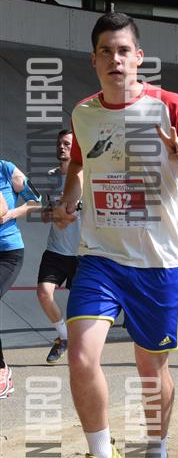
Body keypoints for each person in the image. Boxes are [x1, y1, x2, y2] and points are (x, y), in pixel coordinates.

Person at [53, 11, 178, 458]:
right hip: (100, 257)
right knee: (82, 356)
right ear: (93, 60)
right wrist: (69, 201)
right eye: (105, 51)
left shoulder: (168, 106)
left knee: (151, 369)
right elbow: (79, 164)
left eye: (123, 50)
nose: (115, 59)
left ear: (139, 58)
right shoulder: (84, 114)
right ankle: (100, 456)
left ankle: (157, 456)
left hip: (157, 263)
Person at [37, 130, 81, 364]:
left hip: (82, 252)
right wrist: (50, 214)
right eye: (59, 143)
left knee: (79, 306)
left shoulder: (85, 177)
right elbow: (46, 213)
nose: (61, 147)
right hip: (55, 250)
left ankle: (81, 344)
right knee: (44, 293)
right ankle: (63, 338)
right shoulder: (51, 177)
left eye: (67, 144)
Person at [0, 161, 42, 396]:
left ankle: (2, 370)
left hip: (8, 253)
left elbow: (37, 201)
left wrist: (11, 215)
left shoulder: (6, 170)